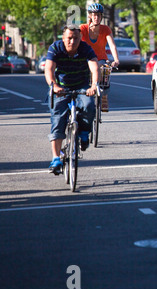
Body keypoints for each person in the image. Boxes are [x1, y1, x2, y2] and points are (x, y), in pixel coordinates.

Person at [45, 24, 99, 174]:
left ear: (80, 38)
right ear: (63, 38)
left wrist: (94, 85)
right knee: (58, 118)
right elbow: (49, 68)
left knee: (89, 106)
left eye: (76, 38)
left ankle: (83, 133)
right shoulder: (55, 48)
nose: (72, 41)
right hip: (61, 87)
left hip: (82, 86)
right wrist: (54, 85)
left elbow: (94, 67)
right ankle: (56, 158)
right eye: (69, 38)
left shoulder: (85, 48)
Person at [80, 3, 119, 112]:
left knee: (104, 69)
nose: (96, 17)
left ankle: (104, 96)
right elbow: (77, 42)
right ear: (90, 16)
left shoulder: (105, 29)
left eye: (98, 15)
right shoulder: (83, 28)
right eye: (94, 15)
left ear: (101, 16)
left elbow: (112, 45)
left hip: (100, 59)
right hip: (85, 59)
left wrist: (116, 60)